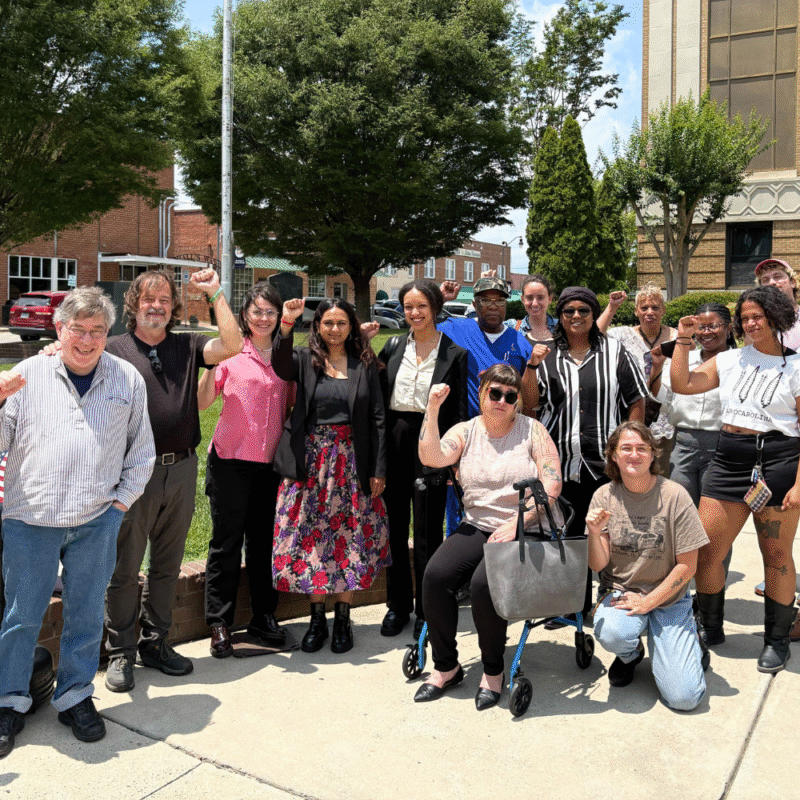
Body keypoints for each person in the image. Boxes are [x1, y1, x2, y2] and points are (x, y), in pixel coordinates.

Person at [0, 287, 154, 757]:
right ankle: (9, 700)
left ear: (108, 333)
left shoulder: (126, 378)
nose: (86, 340)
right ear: (58, 329)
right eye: (77, 330)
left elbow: (141, 452)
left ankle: (75, 695)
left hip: (96, 521)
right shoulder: (25, 375)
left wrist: (119, 508)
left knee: (85, 613)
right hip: (31, 518)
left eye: (97, 331)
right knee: (21, 615)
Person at [103, 268, 243, 693]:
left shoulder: (187, 345)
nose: (157, 305)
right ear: (133, 304)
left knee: (166, 566)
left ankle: (155, 642)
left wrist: (217, 292)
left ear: (174, 307)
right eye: (148, 298)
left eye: (165, 299)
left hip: (181, 468)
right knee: (125, 568)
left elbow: (234, 345)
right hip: (132, 473)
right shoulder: (112, 350)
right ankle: (121, 652)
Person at [413, 364, 562, 709]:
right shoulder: (466, 431)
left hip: (526, 526)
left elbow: (552, 483)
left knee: (484, 584)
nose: (502, 400)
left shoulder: (532, 431)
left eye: (510, 396)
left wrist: (519, 522)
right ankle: (446, 666)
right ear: (482, 395)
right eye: (494, 393)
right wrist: (432, 408)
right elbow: (431, 456)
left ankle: (493, 671)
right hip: (479, 524)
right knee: (435, 576)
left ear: (517, 403)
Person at [670, 286, 800, 673]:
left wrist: (798, 484)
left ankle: (776, 640)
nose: (750, 323)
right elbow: (683, 384)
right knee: (709, 550)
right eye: (744, 317)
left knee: (776, 555)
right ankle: (711, 627)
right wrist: (681, 339)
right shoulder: (728, 360)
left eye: (757, 315)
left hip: (777, 461)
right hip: (728, 460)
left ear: (776, 316)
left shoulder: (796, 367)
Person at [272, 297, 389, 654]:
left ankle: (342, 618)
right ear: (318, 326)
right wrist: (286, 325)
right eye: (328, 323)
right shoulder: (305, 361)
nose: (335, 329)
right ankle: (316, 619)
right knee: (312, 538)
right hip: (312, 465)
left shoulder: (364, 364)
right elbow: (279, 363)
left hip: (352, 464)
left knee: (349, 538)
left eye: (341, 323)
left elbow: (378, 417)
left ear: (351, 326)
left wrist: (378, 469)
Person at [529, 286, 647, 619]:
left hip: (604, 465)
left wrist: (631, 447)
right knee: (567, 535)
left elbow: (636, 400)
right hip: (561, 463)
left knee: (609, 535)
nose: (577, 316)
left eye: (584, 310)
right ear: (560, 316)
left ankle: (607, 603)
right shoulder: (546, 353)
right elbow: (531, 404)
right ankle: (569, 606)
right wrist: (530, 366)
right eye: (569, 311)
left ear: (594, 315)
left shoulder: (615, 351)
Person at [197, 282, 295, 658]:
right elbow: (204, 403)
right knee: (225, 543)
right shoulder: (231, 354)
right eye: (257, 311)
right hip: (230, 462)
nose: (264, 318)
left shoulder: (287, 359)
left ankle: (263, 615)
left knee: (263, 545)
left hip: (271, 466)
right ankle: (218, 622)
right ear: (245, 316)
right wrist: (209, 367)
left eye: (270, 311)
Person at [587, 421, 708, 711]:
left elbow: (688, 566)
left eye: (642, 448)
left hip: (668, 597)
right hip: (622, 592)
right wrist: (593, 534)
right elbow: (597, 564)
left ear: (653, 455)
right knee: (612, 632)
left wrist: (649, 602)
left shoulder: (675, 495)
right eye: (625, 448)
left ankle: (693, 642)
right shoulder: (604, 496)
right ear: (613, 455)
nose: (634, 454)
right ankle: (631, 654)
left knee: (684, 699)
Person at [377, 280, 468, 638]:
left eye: (421, 306)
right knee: (394, 528)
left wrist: (453, 461)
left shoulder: (455, 354)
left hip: (432, 441)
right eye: (408, 306)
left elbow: (459, 413)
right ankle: (397, 606)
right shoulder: (393, 345)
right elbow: (376, 398)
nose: (414, 313)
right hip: (397, 440)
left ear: (435, 307)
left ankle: (427, 611)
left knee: (428, 531)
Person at [650, 303, 735, 505]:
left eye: (713, 326)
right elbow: (662, 400)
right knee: (682, 510)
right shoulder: (682, 360)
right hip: (682, 445)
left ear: (729, 328)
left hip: (721, 445)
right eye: (701, 327)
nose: (706, 332)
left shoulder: (739, 361)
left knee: (713, 512)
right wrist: (657, 367)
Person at [606, 283, 678, 474]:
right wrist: (612, 307)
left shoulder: (677, 338)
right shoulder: (622, 335)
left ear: (663, 310)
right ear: (636, 310)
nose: (649, 312)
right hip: (632, 414)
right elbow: (595, 335)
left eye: (655, 307)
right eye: (644, 308)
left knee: (662, 475)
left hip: (666, 417)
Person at [438, 275, 535, 415]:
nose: (493, 307)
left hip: (506, 428)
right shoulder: (457, 329)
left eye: (500, 301)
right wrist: (441, 299)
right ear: (474, 304)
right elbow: (420, 331)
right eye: (485, 301)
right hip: (465, 427)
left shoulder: (520, 343)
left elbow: (528, 396)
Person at [754, 258, 800, 349]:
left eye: (778, 276)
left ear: (793, 282)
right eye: (765, 280)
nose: (772, 282)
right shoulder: (757, 323)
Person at [503, 274, 557, 344]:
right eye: (529, 298)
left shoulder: (562, 328)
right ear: (523, 299)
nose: (535, 303)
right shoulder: (512, 328)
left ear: (550, 299)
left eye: (540, 297)